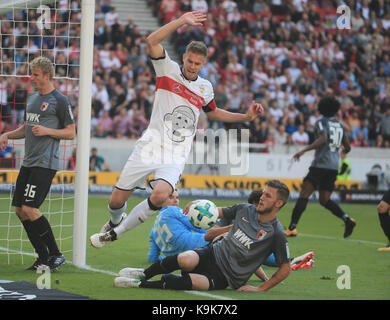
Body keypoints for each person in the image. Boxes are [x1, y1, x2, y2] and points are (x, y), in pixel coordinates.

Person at [89, 11, 263, 248]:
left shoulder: (205, 88)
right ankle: (114, 221)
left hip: (176, 153)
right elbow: (151, 41)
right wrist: (181, 21)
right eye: (189, 61)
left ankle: (116, 233)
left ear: (204, 64)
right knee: (117, 200)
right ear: (184, 58)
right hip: (150, 144)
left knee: (160, 195)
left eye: (197, 63)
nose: (192, 66)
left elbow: (213, 112)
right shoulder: (166, 69)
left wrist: (245, 116)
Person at [113, 180, 291, 292]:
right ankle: (144, 273)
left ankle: (139, 285)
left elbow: (285, 268)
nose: (261, 197)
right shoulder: (245, 209)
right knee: (184, 259)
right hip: (212, 252)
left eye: (267, 195)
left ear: (278, 203)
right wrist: (196, 206)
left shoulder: (276, 233)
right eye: (263, 193)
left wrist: (260, 289)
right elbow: (215, 212)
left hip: (226, 276)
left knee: (191, 282)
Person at [0, 56, 76, 270]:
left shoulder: (60, 100)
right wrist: (7, 134)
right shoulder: (32, 99)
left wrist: (48, 131)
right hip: (29, 162)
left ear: (46, 75)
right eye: (31, 73)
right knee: (20, 210)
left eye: (35, 74)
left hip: (45, 163)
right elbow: (26, 128)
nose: (31, 77)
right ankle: (43, 257)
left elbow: (71, 133)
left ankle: (56, 254)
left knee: (30, 208)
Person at [285, 96, 356, 238]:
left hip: (320, 165)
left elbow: (323, 139)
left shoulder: (321, 122)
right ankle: (347, 219)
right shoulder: (340, 125)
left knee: (304, 193)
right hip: (333, 167)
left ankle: (292, 227)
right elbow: (347, 147)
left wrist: (303, 150)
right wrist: (339, 153)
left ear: (322, 108)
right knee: (324, 200)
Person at [205, 189, 314, 270]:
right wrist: (230, 229)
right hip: (224, 248)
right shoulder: (237, 212)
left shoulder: (264, 221)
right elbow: (212, 230)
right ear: (252, 203)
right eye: (260, 205)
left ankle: (292, 261)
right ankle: (291, 261)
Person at [147, 190, 209, 262]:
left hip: (181, 259)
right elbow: (197, 225)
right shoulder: (172, 210)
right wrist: (213, 233)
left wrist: (170, 260)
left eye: (177, 197)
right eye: (171, 197)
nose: (175, 200)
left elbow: (152, 258)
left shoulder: (153, 230)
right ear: (161, 200)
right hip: (198, 245)